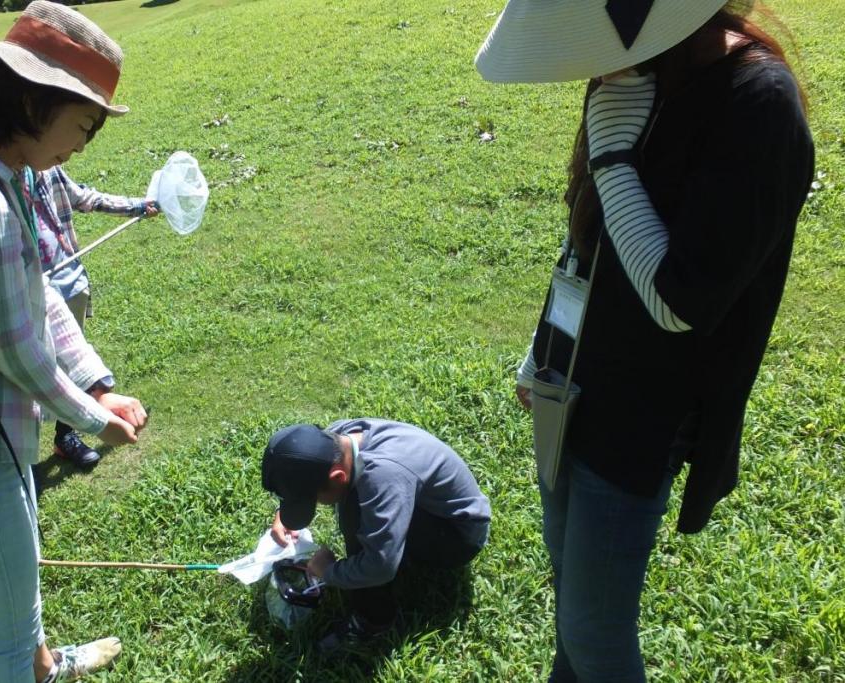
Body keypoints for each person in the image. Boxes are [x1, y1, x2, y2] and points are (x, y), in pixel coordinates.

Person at [475, 1, 813, 681]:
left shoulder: (756, 101)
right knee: (571, 601)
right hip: (568, 384)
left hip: (643, 413)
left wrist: (614, 159)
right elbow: (588, 238)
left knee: (595, 634)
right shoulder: (630, 71)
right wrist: (543, 347)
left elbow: (676, 301)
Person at [0, 2, 148, 681]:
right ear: (33, 100)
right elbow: (17, 352)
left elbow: (37, 293)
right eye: (84, 123)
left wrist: (98, 383)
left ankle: (45, 665)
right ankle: (29, 666)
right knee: (6, 638)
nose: (82, 144)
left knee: (18, 590)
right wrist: (94, 420)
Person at [263, 420, 491, 652]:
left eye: (312, 500)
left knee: (355, 512)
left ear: (337, 478)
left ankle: (373, 620)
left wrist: (330, 572)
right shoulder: (336, 440)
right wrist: (284, 512)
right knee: (358, 503)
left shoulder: (381, 477)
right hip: (428, 506)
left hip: (458, 534)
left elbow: (380, 566)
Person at [33, 165, 158, 469]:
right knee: (35, 369)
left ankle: (66, 437)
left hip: (70, 284)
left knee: (74, 368)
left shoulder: (48, 169)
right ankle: (21, 459)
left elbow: (86, 198)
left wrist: (139, 206)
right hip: (29, 293)